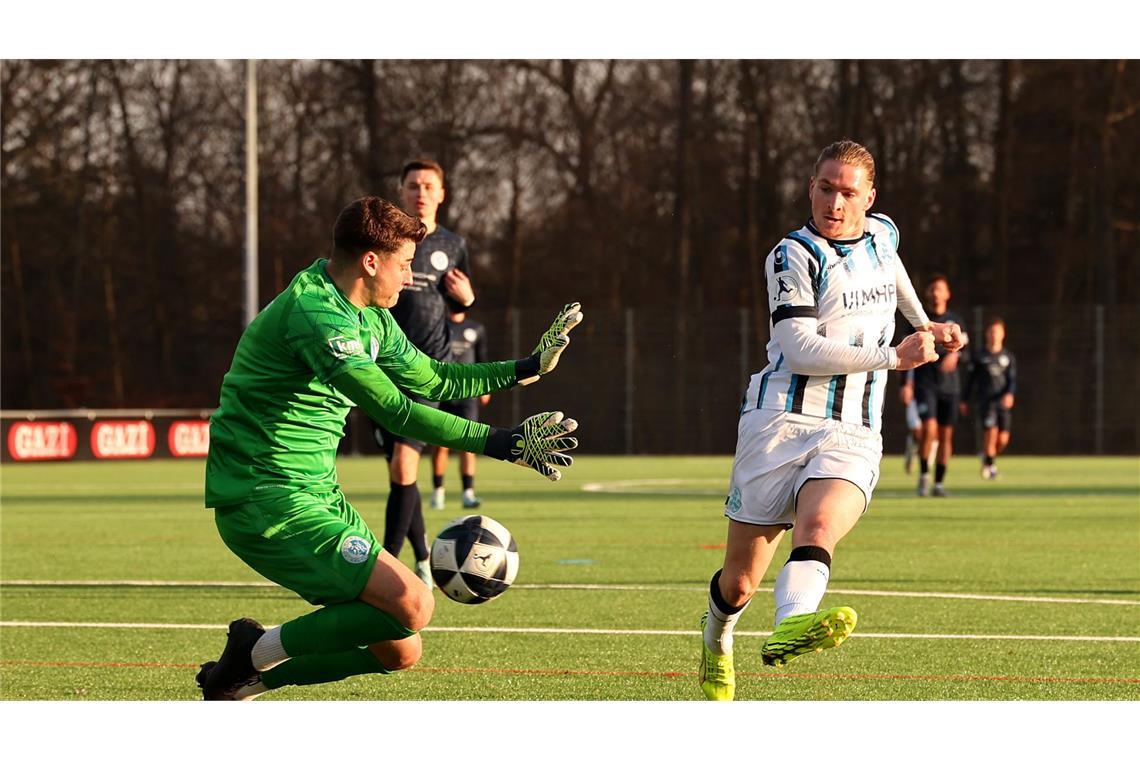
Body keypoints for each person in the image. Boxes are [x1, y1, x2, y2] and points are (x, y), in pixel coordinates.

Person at [197, 196, 583, 700]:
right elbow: (395, 411)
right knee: (415, 606)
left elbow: (435, 378)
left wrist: (528, 367)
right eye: (404, 265)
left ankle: (247, 677)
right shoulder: (316, 314)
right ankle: (251, 649)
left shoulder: (369, 315)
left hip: (315, 494)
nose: (409, 278)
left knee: (401, 649)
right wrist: (503, 442)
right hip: (263, 499)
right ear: (371, 261)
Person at [698, 139, 963, 701]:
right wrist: (897, 355)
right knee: (740, 581)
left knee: (818, 529)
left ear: (870, 196)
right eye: (825, 188)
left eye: (847, 192)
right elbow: (798, 350)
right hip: (779, 422)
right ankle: (716, 638)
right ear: (810, 188)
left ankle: (791, 624)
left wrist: (927, 325)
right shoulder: (793, 255)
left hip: (854, 429)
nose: (835, 203)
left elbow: (892, 276)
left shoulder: (883, 233)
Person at [374, 159, 476, 587]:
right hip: (379, 367)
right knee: (402, 473)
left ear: (441, 193)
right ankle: (423, 556)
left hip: (426, 371)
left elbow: (459, 304)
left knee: (403, 465)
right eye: (413, 184)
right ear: (400, 190)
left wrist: (467, 300)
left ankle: (384, 570)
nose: (420, 191)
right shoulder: (385, 240)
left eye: (428, 185)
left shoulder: (453, 244)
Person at [900, 275, 969, 496]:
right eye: (933, 289)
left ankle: (938, 484)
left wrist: (956, 356)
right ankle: (923, 476)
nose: (936, 293)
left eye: (940, 289)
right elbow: (904, 351)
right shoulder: (918, 320)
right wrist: (905, 384)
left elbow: (967, 352)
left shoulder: (955, 321)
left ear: (948, 294)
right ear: (928, 294)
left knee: (945, 435)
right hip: (925, 384)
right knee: (929, 430)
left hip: (950, 387)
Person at [430, 310, 491, 510]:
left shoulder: (476, 328)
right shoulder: (438, 325)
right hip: (443, 392)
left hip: (468, 395)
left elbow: (482, 359)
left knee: (469, 445)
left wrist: (486, 388)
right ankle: (438, 492)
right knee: (441, 445)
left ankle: (468, 493)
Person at [960, 316, 1016, 479]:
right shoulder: (979, 357)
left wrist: (1009, 394)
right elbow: (970, 380)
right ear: (987, 334)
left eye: (997, 332)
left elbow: (1012, 380)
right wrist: (964, 399)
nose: (994, 335)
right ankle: (990, 467)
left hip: (1002, 403)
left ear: (1003, 334)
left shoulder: (1008, 357)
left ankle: (987, 457)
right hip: (986, 402)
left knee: (1003, 440)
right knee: (991, 432)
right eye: (991, 332)